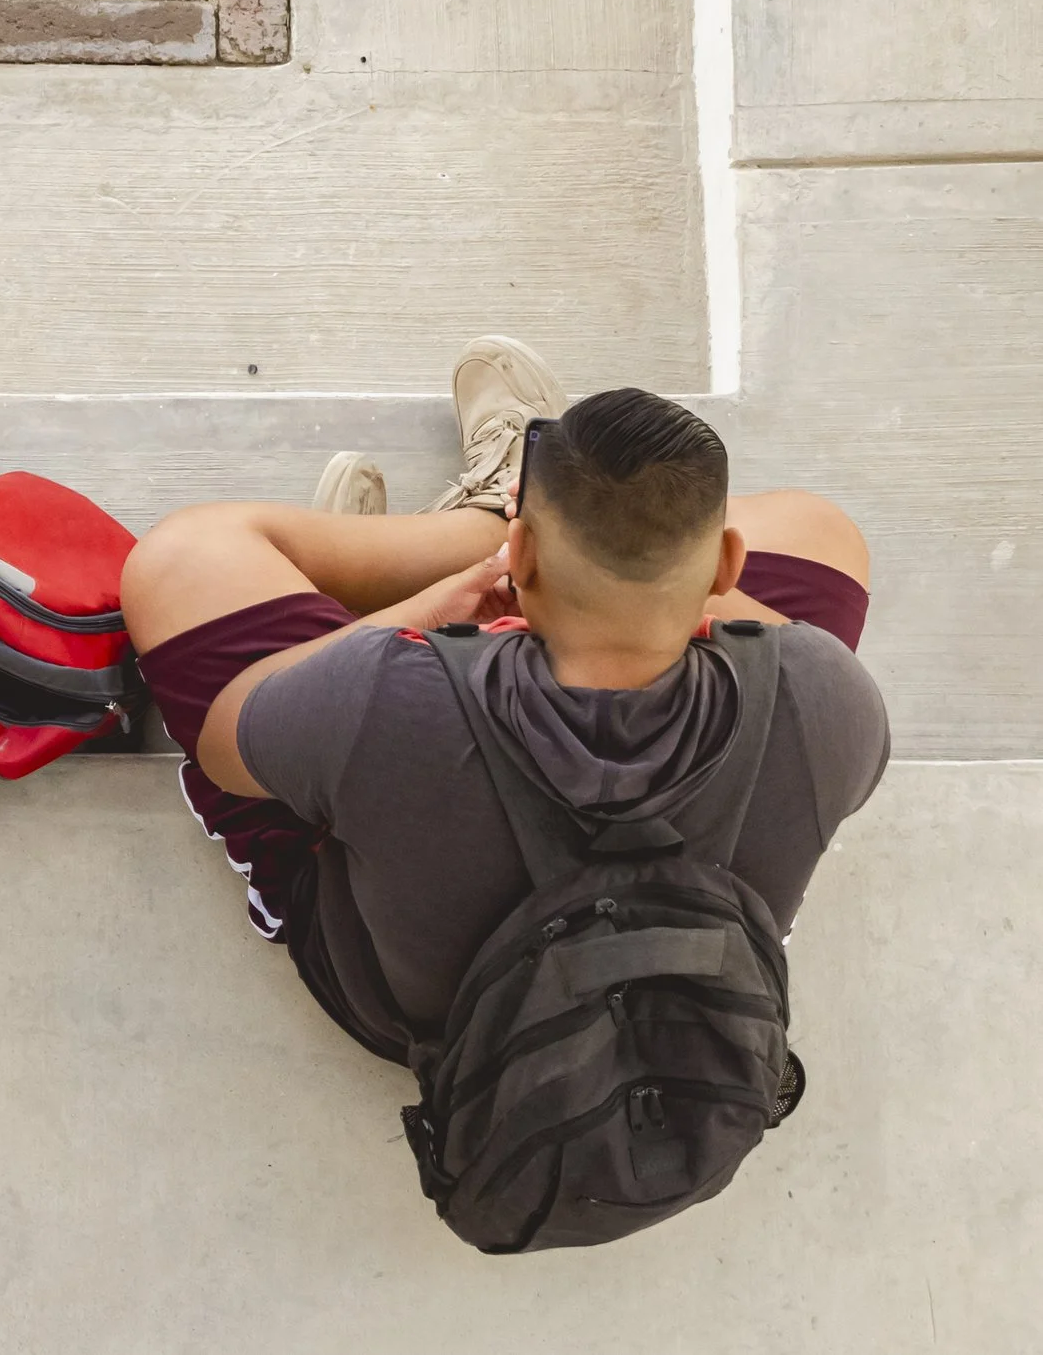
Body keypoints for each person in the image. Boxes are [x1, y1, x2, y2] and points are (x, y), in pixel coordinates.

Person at [118, 337, 890, 1059]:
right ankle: (537, 534)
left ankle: (472, 527)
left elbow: (227, 744)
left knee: (183, 557)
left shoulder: (381, 693)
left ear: (521, 558)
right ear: (727, 565)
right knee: (821, 534)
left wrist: (426, 612)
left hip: (440, 1030)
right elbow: (782, 637)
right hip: (677, 1021)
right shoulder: (833, 699)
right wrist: (655, 588)